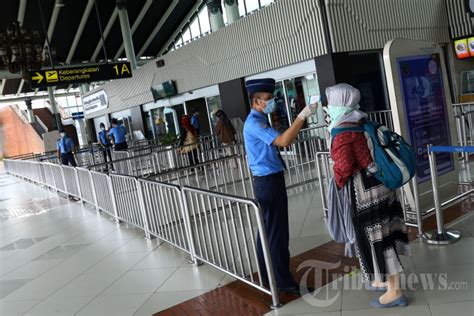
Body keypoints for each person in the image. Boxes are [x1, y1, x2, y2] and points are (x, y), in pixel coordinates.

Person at [326, 83, 410, 308]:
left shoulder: (342, 131)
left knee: (379, 239)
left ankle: (394, 292)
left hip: (366, 193)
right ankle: (385, 281)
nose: (328, 108)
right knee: (386, 234)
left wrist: (337, 178)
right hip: (382, 185)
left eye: (331, 103)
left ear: (339, 105)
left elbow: (344, 167)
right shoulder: (361, 121)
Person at [243, 78, 317, 295]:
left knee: (266, 231)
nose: (271, 102)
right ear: (257, 102)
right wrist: (301, 117)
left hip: (265, 181)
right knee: (276, 234)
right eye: (268, 99)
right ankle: (283, 282)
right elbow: (284, 141)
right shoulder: (255, 123)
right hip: (269, 182)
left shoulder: (259, 119)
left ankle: (267, 274)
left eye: (272, 98)